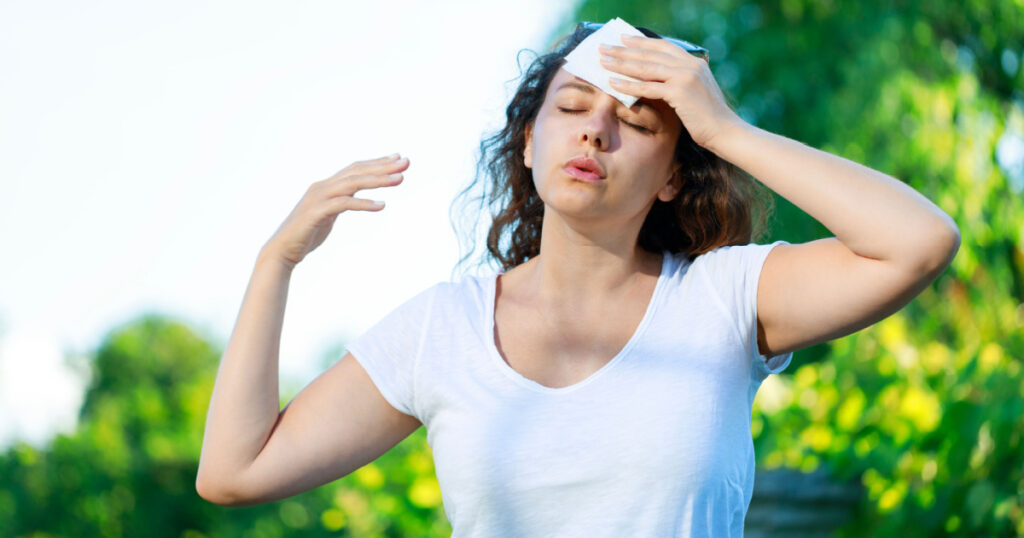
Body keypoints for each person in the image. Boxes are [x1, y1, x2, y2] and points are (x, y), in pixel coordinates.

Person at [196, 21, 960, 537]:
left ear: (671, 176)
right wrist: (278, 262)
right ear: (529, 144)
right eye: (572, 106)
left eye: (638, 121)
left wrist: (726, 128)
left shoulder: (722, 299)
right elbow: (235, 471)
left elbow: (918, 243)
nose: (597, 129)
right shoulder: (442, 330)